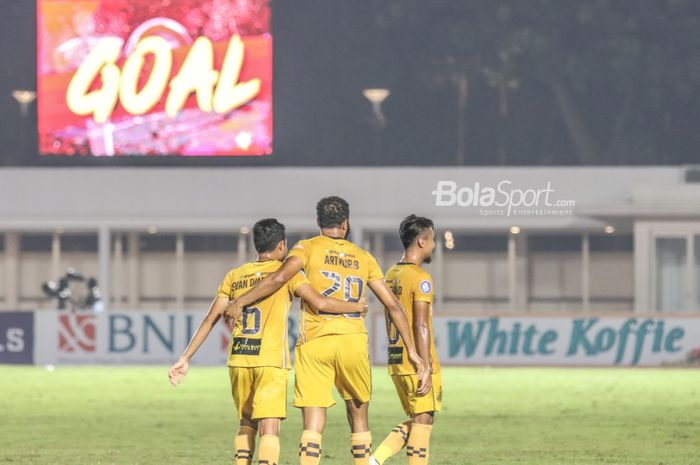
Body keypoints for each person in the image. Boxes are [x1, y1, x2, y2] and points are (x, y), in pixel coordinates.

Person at [225, 196, 429, 465]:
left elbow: (277, 278)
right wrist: (413, 352)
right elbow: (392, 305)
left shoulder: (306, 248)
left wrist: (239, 301)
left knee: (313, 421)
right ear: (345, 223)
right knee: (358, 416)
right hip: (353, 341)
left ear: (319, 222)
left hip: (315, 342)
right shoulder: (363, 257)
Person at [168, 218, 366, 465]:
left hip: (239, 359)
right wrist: (355, 306)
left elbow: (210, 319)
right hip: (271, 362)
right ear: (282, 246)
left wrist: (185, 358)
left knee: (246, 423)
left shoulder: (235, 276)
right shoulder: (288, 275)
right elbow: (320, 303)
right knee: (269, 430)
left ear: (256, 246)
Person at [370, 215, 442, 465]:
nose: (434, 245)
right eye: (432, 240)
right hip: (416, 361)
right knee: (423, 421)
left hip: (396, 358)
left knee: (419, 418)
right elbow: (420, 324)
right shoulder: (421, 278)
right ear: (422, 241)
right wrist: (426, 366)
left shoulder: (391, 273)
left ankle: (374, 460)